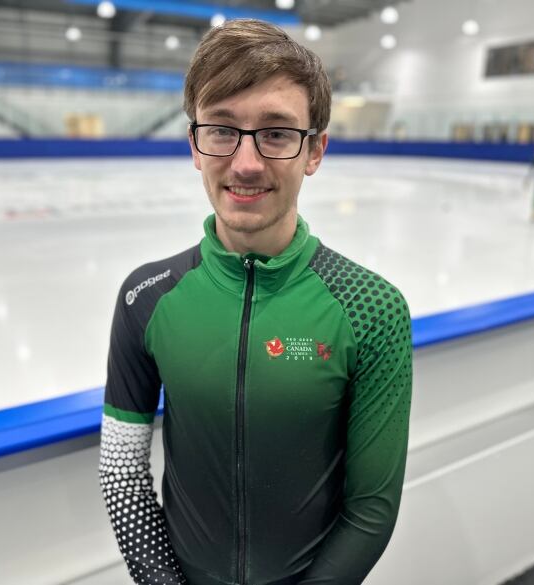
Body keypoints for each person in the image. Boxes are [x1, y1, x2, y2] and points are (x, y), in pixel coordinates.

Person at [99, 19, 413, 585]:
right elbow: (121, 470)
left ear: (314, 150)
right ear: (195, 144)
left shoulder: (372, 308)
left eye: (276, 133)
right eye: (221, 128)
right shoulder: (145, 298)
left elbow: (371, 509)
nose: (245, 163)